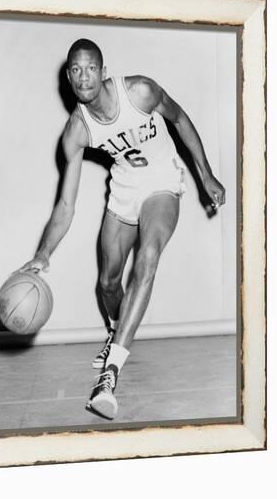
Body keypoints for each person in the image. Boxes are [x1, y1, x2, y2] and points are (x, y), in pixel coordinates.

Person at [20, 38, 226, 420]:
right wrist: (42, 255)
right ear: (69, 77)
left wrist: (206, 175)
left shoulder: (140, 92)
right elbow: (66, 205)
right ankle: (116, 332)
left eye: (91, 68)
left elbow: (179, 119)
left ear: (103, 70)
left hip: (162, 182)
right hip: (124, 189)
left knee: (147, 259)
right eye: (76, 70)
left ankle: (109, 374)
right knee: (108, 284)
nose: (84, 77)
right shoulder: (76, 131)